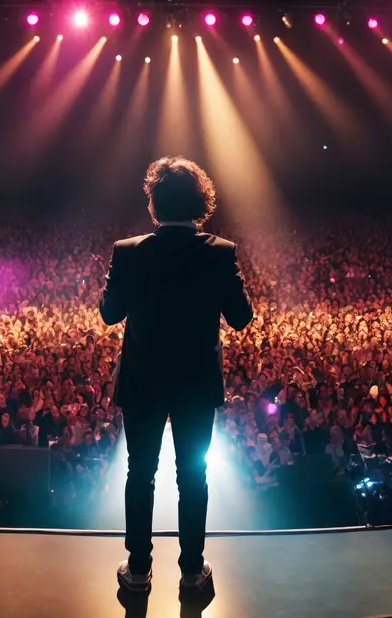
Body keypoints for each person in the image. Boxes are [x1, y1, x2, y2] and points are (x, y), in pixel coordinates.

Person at [100, 156, 254, 592]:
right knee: (193, 476)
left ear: (154, 202)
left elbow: (109, 314)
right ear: (200, 201)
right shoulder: (221, 253)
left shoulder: (126, 251)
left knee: (140, 473)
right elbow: (241, 318)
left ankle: (137, 569)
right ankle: (191, 570)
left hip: (142, 381)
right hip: (195, 383)